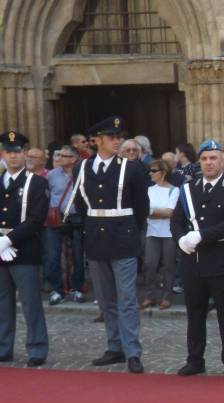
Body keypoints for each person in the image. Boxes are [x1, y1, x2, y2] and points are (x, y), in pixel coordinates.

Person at [68, 116, 150, 374]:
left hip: (123, 236)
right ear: (97, 140)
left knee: (126, 298)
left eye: (119, 137)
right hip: (95, 237)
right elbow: (81, 205)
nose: (117, 141)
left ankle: (132, 351)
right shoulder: (81, 168)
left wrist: (129, 231)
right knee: (105, 299)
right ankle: (114, 346)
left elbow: (141, 207)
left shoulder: (132, 168)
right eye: (112, 137)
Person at [170, 140, 224, 377]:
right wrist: (181, 239)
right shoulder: (188, 189)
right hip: (193, 261)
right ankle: (195, 360)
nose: (209, 163)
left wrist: (200, 236)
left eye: (213, 158)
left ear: (222, 161)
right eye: (204, 159)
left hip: (221, 260)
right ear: (199, 162)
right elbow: (176, 220)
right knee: (195, 313)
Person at [0, 130, 49, 366]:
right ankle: (3, 347)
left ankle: (37, 348)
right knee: (2, 302)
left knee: (30, 303)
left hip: (24, 250)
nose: (13, 156)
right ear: (2, 153)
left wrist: (8, 240)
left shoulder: (36, 183)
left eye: (17, 152)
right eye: (9, 152)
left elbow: (36, 219)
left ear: (24, 155)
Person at [43, 145, 81, 305]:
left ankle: (78, 289)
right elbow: (46, 196)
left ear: (73, 159)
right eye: (58, 156)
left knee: (79, 255)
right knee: (53, 255)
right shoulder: (51, 175)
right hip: (56, 218)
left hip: (77, 217)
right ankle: (56, 290)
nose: (58, 158)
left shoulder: (82, 173)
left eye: (63, 156)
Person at [141, 159, 179, 311]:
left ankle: (166, 297)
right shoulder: (149, 190)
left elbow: (169, 212)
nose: (150, 173)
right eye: (150, 170)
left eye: (154, 170)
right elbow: (145, 211)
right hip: (152, 233)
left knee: (168, 266)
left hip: (168, 233)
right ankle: (150, 295)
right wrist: (156, 213)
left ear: (163, 173)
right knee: (150, 264)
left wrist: (151, 212)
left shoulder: (173, 190)